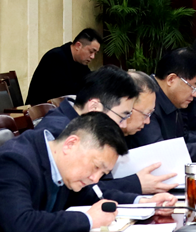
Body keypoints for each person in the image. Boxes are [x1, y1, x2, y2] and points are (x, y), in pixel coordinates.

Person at [0, 113, 126, 232]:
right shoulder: (12, 161)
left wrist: (137, 201)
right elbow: (21, 225)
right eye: (96, 167)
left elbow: (90, 196)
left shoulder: (63, 166)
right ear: (71, 144)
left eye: (103, 173)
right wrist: (88, 220)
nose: (95, 179)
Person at [34, 67, 177, 202]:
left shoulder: (81, 125)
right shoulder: (59, 135)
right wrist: (135, 184)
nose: (123, 125)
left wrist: (142, 201)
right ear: (94, 107)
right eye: (122, 117)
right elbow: (79, 194)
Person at [127, 48, 196, 161]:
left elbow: (181, 138)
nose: (195, 94)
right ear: (171, 79)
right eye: (193, 86)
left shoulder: (172, 99)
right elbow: (157, 151)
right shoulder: (145, 98)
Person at [26, 28, 102, 106]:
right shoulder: (55, 57)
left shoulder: (81, 63)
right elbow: (61, 93)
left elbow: (89, 83)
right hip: (41, 110)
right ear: (78, 45)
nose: (92, 57)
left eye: (95, 53)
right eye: (91, 51)